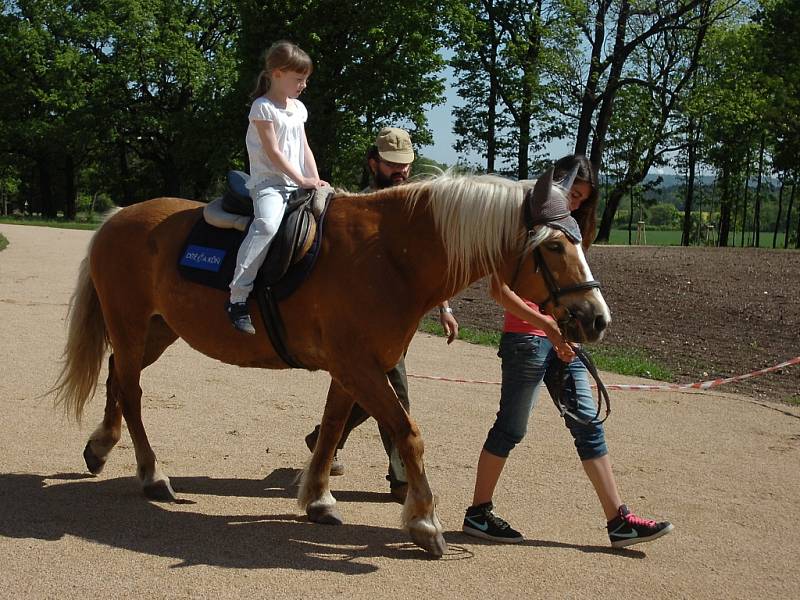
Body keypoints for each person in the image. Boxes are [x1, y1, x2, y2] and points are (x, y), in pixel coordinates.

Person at [462, 155, 674, 548]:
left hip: (563, 340)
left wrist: (569, 336)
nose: (575, 203)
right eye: (573, 193)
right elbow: (499, 291)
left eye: (583, 198)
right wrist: (548, 328)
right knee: (511, 428)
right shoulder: (521, 226)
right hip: (526, 339)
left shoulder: (571, 231)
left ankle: (619, 520)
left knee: (588, 424)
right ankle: (478, 513)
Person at [304, 127, 459, 503]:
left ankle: (324, 439)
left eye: (405, 165)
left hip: (395, 320)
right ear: (373, 162)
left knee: (363, 389)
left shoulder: (411, 208)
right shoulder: (357, 207)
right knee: (394, 393)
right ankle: (402, 477)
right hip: (360, 317)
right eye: (392, 165)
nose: (401, 172)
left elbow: (424, 265)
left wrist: (444, 307)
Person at [226, 41, 328, 334]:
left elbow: (304, 148)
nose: (303, 85)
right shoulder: (263, 108)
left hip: (298, 182)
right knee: (267, 225)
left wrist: (316, 179)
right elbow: (273, 153)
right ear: (278, 74)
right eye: (299, 79)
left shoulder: (298, 109)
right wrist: (301, 180)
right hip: (269, 184)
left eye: (305, 79)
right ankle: (238, 296)